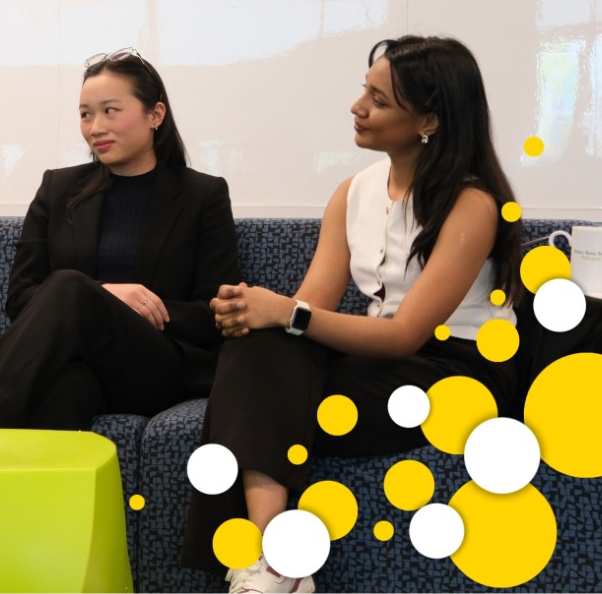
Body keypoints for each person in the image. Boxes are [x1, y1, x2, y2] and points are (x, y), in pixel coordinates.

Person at [182, 36, 523, 593]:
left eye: (379, 99)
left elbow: (408, 334)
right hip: (376, 357)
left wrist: (285, 315)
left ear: (429, 120)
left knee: (254, 392)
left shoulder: (471, 204)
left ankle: (272, 565)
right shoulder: (353, 192)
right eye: (364, 90)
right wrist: (255, 312)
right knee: (257, 349)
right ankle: (278, 561)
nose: (357, 107)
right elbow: (308, 308)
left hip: (453, 372)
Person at [0, 48, 240, 430]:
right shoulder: (58, 188)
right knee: (64, 390)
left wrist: (110, 306)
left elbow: (215, 313)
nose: (95, 128)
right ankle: (29, 482)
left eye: (110, 111)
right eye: (86, 114)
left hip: (156, 365)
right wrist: (107, 295)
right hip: (79, 365)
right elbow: (20, 299)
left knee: (71, 285)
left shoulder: (202, 195)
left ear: (155, 115)